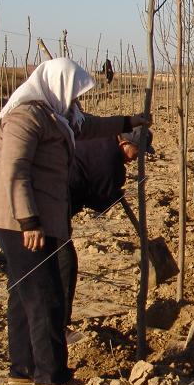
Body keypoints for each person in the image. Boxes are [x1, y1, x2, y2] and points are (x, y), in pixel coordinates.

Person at [0, 58, 150, 385]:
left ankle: (23, 368)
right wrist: (28, 220)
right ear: (56, 86)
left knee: (24, 294)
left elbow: (89, 126)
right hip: (21, 222)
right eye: (74, 94)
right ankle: (51, 377)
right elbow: (14, 171)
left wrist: (129, 121)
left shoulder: (56, 117)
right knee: (47, 297)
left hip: (39, 219)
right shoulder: (25, 117)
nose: (77, 102)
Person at [60, 126, 155, 327]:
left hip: (53, 196)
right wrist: (114, 193)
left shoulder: (99, 135)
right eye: (138, 152)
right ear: (124, 143)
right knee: (64, 264)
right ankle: (60, 326)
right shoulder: (112, 167)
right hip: (52, 205)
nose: (138, 158)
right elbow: (99, 204)